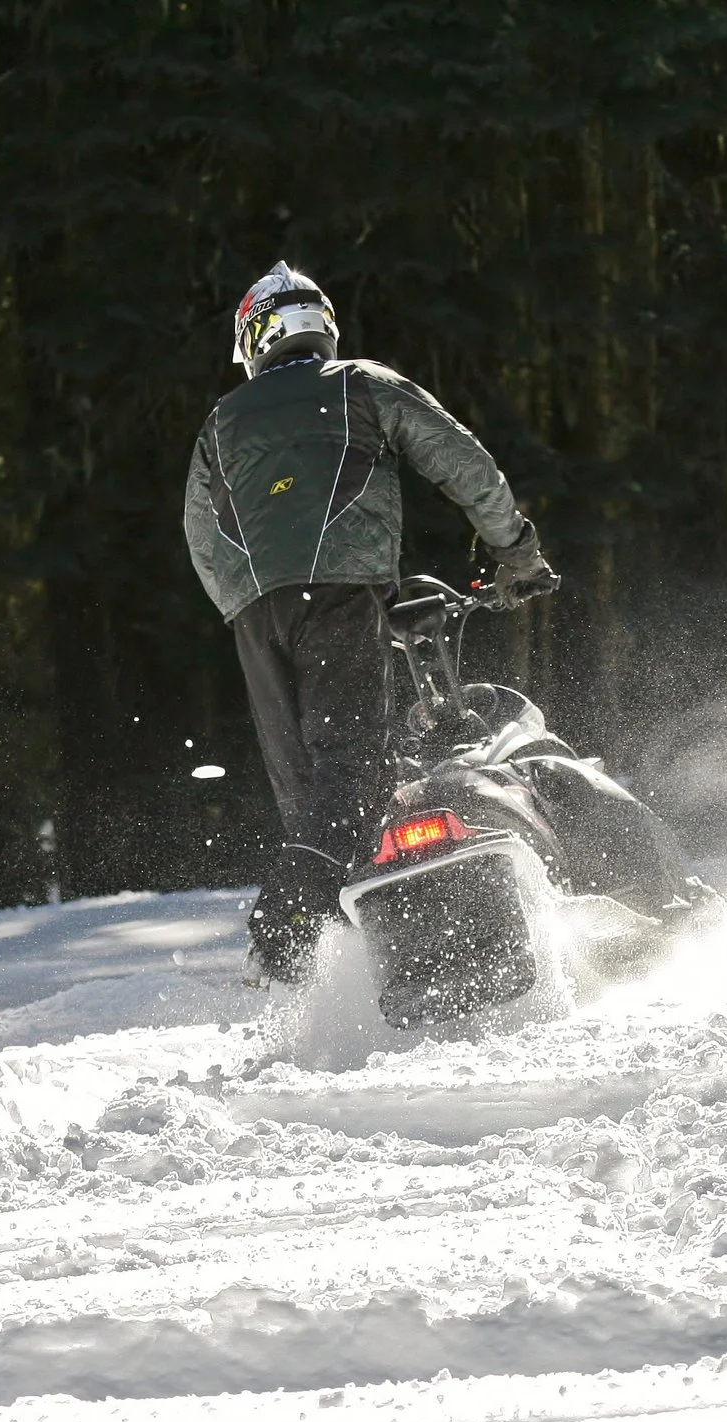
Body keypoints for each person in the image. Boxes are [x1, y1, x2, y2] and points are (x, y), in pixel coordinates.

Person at [183, 261, 559, 983]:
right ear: (322, 326)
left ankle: (337, 966)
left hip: (255, 615)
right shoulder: (359, 383)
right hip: (341, 593)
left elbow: (201, 534)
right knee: (353, 764)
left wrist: (248, 605)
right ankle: (287, 922)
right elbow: (460, 459)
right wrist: (515, 550)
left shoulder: (220, 421)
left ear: (254, 339)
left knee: (307, 789)